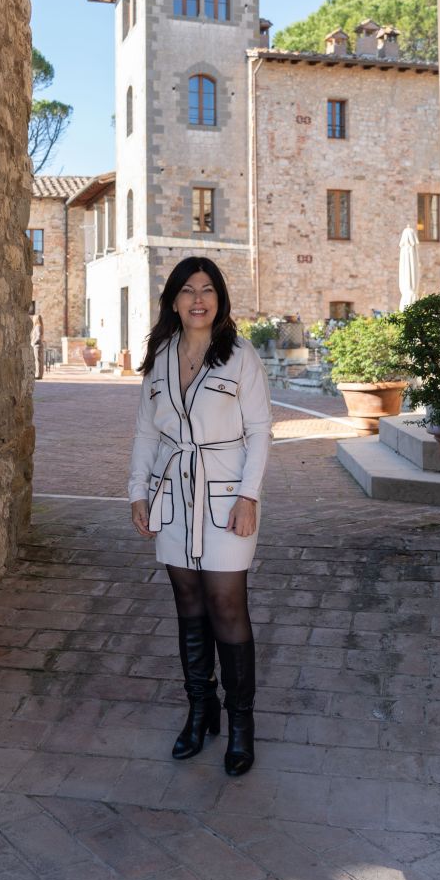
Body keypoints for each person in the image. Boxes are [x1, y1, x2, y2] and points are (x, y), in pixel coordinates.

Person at [128, 257, 272, 776]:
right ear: (172, 299)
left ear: (220, 300)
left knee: (226, 604)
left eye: (207, 290)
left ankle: (241, 725)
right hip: (172, 494)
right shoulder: (160, 356)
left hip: (227, 495)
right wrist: (137, 493)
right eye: (187, 290)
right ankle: (199, 709)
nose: (197, 299)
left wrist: (249, 497)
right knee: (187, 601)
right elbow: (147, 431)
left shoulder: (240, 356)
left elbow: (259, 431)